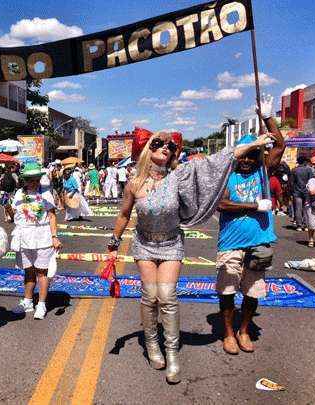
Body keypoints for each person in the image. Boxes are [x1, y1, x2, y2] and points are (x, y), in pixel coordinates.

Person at [108, 129, 275, 384]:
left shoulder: (179, 176)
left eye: (171, 145)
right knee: (150, 296)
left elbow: (219, 159)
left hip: (171, 244)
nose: (166, 147)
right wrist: (114, 241)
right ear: (147, 150)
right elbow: (124, 215)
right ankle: (153, 346)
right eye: (158, 143)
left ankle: (172, 354)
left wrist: (256, 143)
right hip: (144, 244)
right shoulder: (134, 183)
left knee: (167, 296)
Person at [216, 106, 285, 356]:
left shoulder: (263, 173)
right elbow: (223, 204)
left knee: (252, 292)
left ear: (258, 156)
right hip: (231, 243)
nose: (246, 160)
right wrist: (255, 205)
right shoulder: (227, 175)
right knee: (227, 291)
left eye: (252, 155)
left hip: (259, 242)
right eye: (243, 156)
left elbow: (279, 146)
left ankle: (244, 330)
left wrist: (268, 117)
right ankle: (227, 332)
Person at [8, 162, 62, 319]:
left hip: (42, 237)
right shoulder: (19, 194)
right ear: (24, 180)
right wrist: (9, 211)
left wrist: (54, 236)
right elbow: (15, 217)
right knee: (28, 270)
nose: (33, 182)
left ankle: (42, 304)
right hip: (24, 237)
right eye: (30, 179)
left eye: (36, 179)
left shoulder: (45, 194)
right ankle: (28, 301)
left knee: (42, 272)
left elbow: (52, 216)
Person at [291, 157, 313, 231]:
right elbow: (311, 181)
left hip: (297, 192)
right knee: (306, 208)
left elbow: (291, 183)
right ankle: (306, 225)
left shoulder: (294, 170)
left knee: (298, 209)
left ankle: (299, 225)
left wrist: (292, 191)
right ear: (304, 162)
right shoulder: (309, 170)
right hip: (306, 192)